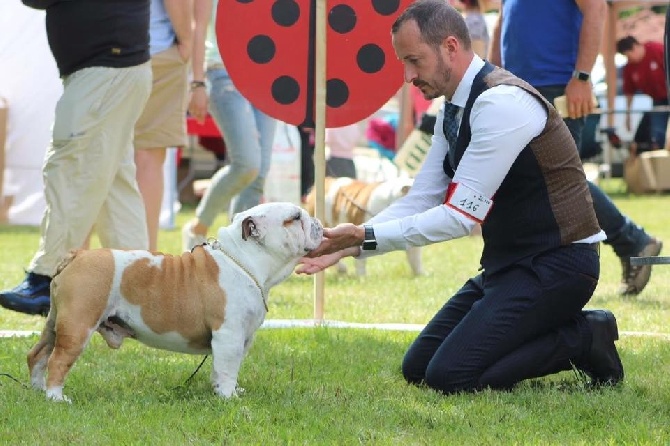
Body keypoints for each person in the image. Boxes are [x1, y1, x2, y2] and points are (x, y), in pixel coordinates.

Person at [298, 0, 623, 394]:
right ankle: (553, 330)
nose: (407, 76)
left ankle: (586, 336)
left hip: (560, 268)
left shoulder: (500, 103)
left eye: (414, 61)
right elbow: (422, 198)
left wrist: (364, 238)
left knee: (450, 376)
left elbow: (458, 216)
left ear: (450, 46)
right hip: (509, 266)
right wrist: (354, 242)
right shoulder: (454, 105)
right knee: (417, 368)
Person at [489, 0, 663, 296]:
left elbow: (597, 9)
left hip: (558, 87)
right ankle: (626, 242)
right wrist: (491, 76)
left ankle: (630, 240)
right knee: (537, 181)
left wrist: (582, 77)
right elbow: (503, 20)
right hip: (516, 88)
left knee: (559, 181)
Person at [0, 0, 152, 316]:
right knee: (112, 185)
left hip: (106, 70)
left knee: (71, 170)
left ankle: (47, 278)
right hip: (114, 68)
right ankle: (138, 291)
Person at [181, 0, 277, 252]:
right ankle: (198, 227)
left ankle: (239, 249)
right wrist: (197, 83)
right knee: (247, 163)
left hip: (265, 75)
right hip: (221, 73)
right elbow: (198, 28)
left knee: (260, 172)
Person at [134, 0, 192, 251]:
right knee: (148, 157)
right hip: (156, 50)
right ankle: (144, 256)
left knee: (100, 157)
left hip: (103, 48)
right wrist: (187, 39)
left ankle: (79, 258)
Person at [616, 35, 669, 151]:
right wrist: (628, 115)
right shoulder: (630, 67)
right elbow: (629, 92)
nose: (629, 59)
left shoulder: (657, 50)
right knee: (657, 133)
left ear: (635, 47)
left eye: (629, 55)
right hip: (658, 100)